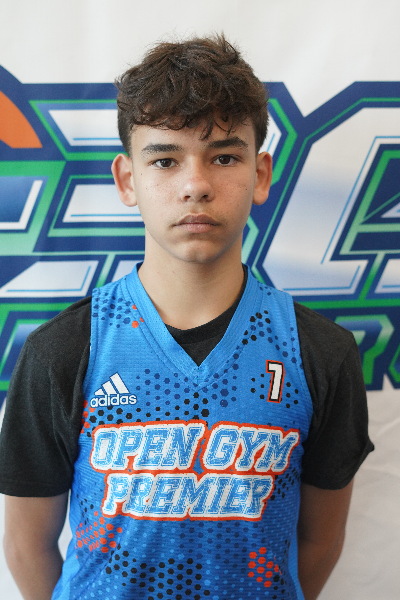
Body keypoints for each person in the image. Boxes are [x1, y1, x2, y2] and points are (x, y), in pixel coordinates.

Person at [0, 34, 373, 600]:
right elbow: (27, 545)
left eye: (224, 157)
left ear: (261, 174)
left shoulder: (320, 352)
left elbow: (320, 542)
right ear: (128, 179)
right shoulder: (65, 349)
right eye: (165, 160)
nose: (196, 185)